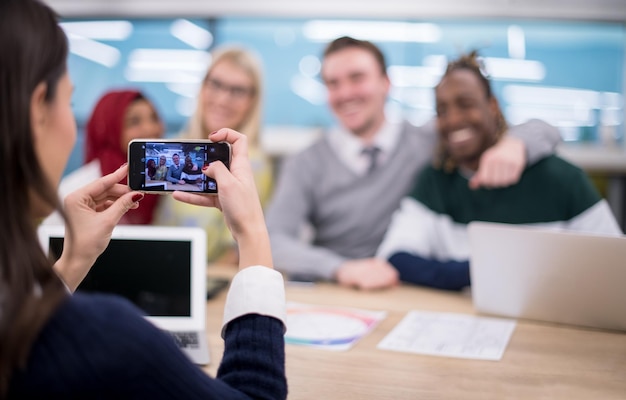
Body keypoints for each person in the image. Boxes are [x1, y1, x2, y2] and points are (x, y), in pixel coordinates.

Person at [1, 1, 287, 398]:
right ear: (37, 110)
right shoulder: (113, 339)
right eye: (68, 101)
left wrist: (71, 264)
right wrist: (254, 234)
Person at [265, 36, 563, 290]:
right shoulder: (306, 162)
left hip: (414, 287)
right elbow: (273, 239)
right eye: (333, 83)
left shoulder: (427, 140)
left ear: (386, 83)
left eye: (357, 78)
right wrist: (341, 268)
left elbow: (547, 130)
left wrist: (515, 144)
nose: (345, 94)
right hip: (345, 290)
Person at [375, 50, 622, 291]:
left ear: (492, 106)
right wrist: (490, 271)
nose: (453, 120)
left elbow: (615, 266)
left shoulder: (561, 178)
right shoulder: (435, 179)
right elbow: (396, 256)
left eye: (466, 104)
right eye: (442, 110)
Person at [155, 46, 273, 263]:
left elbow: (233, 252)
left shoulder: (250, 164)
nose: (223, 99)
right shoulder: (176, 147)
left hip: (205, 286)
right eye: (216, 84)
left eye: (237, 91)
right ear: (202, 87)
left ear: (252, 101)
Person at [43, 88, 164, 225]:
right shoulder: (77, 189)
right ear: (110, 129)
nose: (151, 128)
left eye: (154, 118)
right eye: (134, 121)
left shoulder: (161, 181)